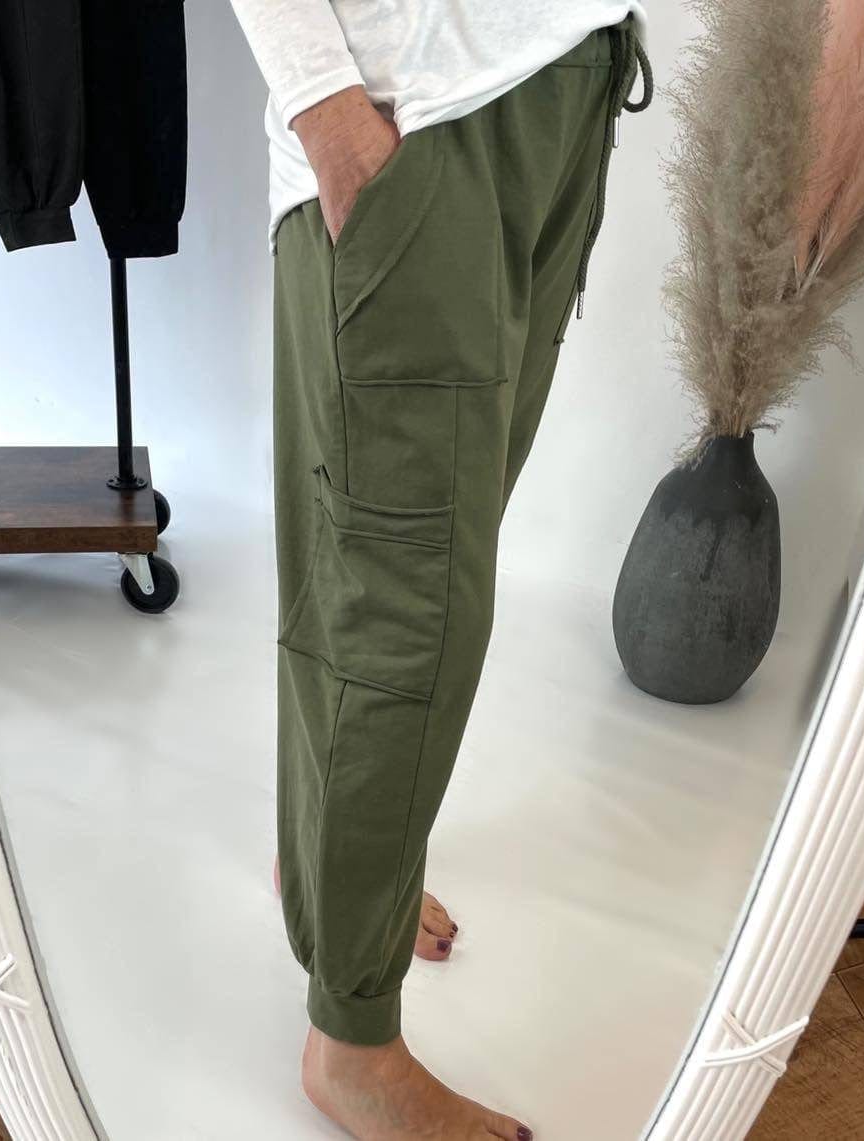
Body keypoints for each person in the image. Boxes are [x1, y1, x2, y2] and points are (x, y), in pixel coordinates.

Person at [229, 3, 652, 1137]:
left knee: (378, 570)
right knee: (408, 615)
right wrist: (326, 108)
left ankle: (332, 869)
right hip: (417, 116)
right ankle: (353, 1043)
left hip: (558, 86)